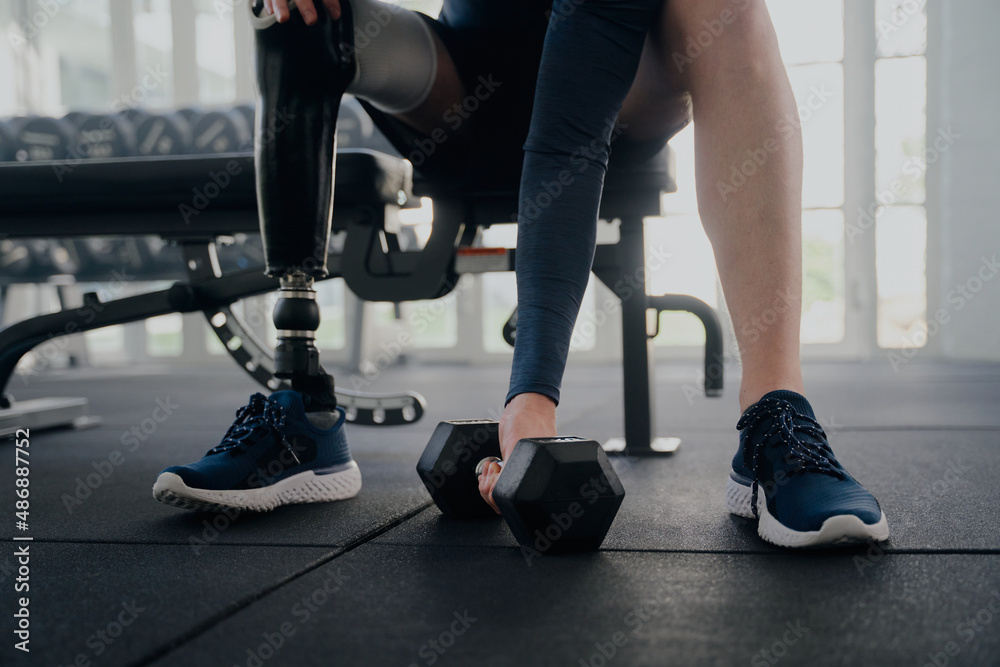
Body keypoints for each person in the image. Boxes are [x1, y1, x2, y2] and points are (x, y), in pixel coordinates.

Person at [154, 0, 889, 548]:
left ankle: (773, 419)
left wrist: (531, 398)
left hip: (618, 91)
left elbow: (567, 140)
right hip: (464, 90)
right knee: (295, 11)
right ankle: (300, 409)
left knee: (729, 9)